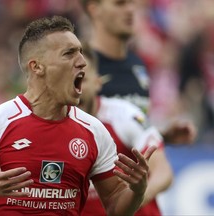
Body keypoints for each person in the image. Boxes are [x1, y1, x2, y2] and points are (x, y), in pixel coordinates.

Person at [0, 16, 156, 216]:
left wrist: (137, 190)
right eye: (69, 53)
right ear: (37, 66)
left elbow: (115, 206)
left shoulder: (94, 131)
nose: (82, 62)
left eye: (80, 52)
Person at [80, 0, 197, 145]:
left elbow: (130, 127)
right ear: (94, 9)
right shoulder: (81, 65)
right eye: (120, 4)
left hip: (136, 166)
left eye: (132, 3)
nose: (130, 10)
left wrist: (163, 135)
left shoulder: (137, 64)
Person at [78, 42, 173, 216]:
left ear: (98, 82)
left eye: (82, 79)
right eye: (72, 80)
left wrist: (134, 199)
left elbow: (163, 172)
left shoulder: (125, 115)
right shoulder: (50, 126)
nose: (77, 88)